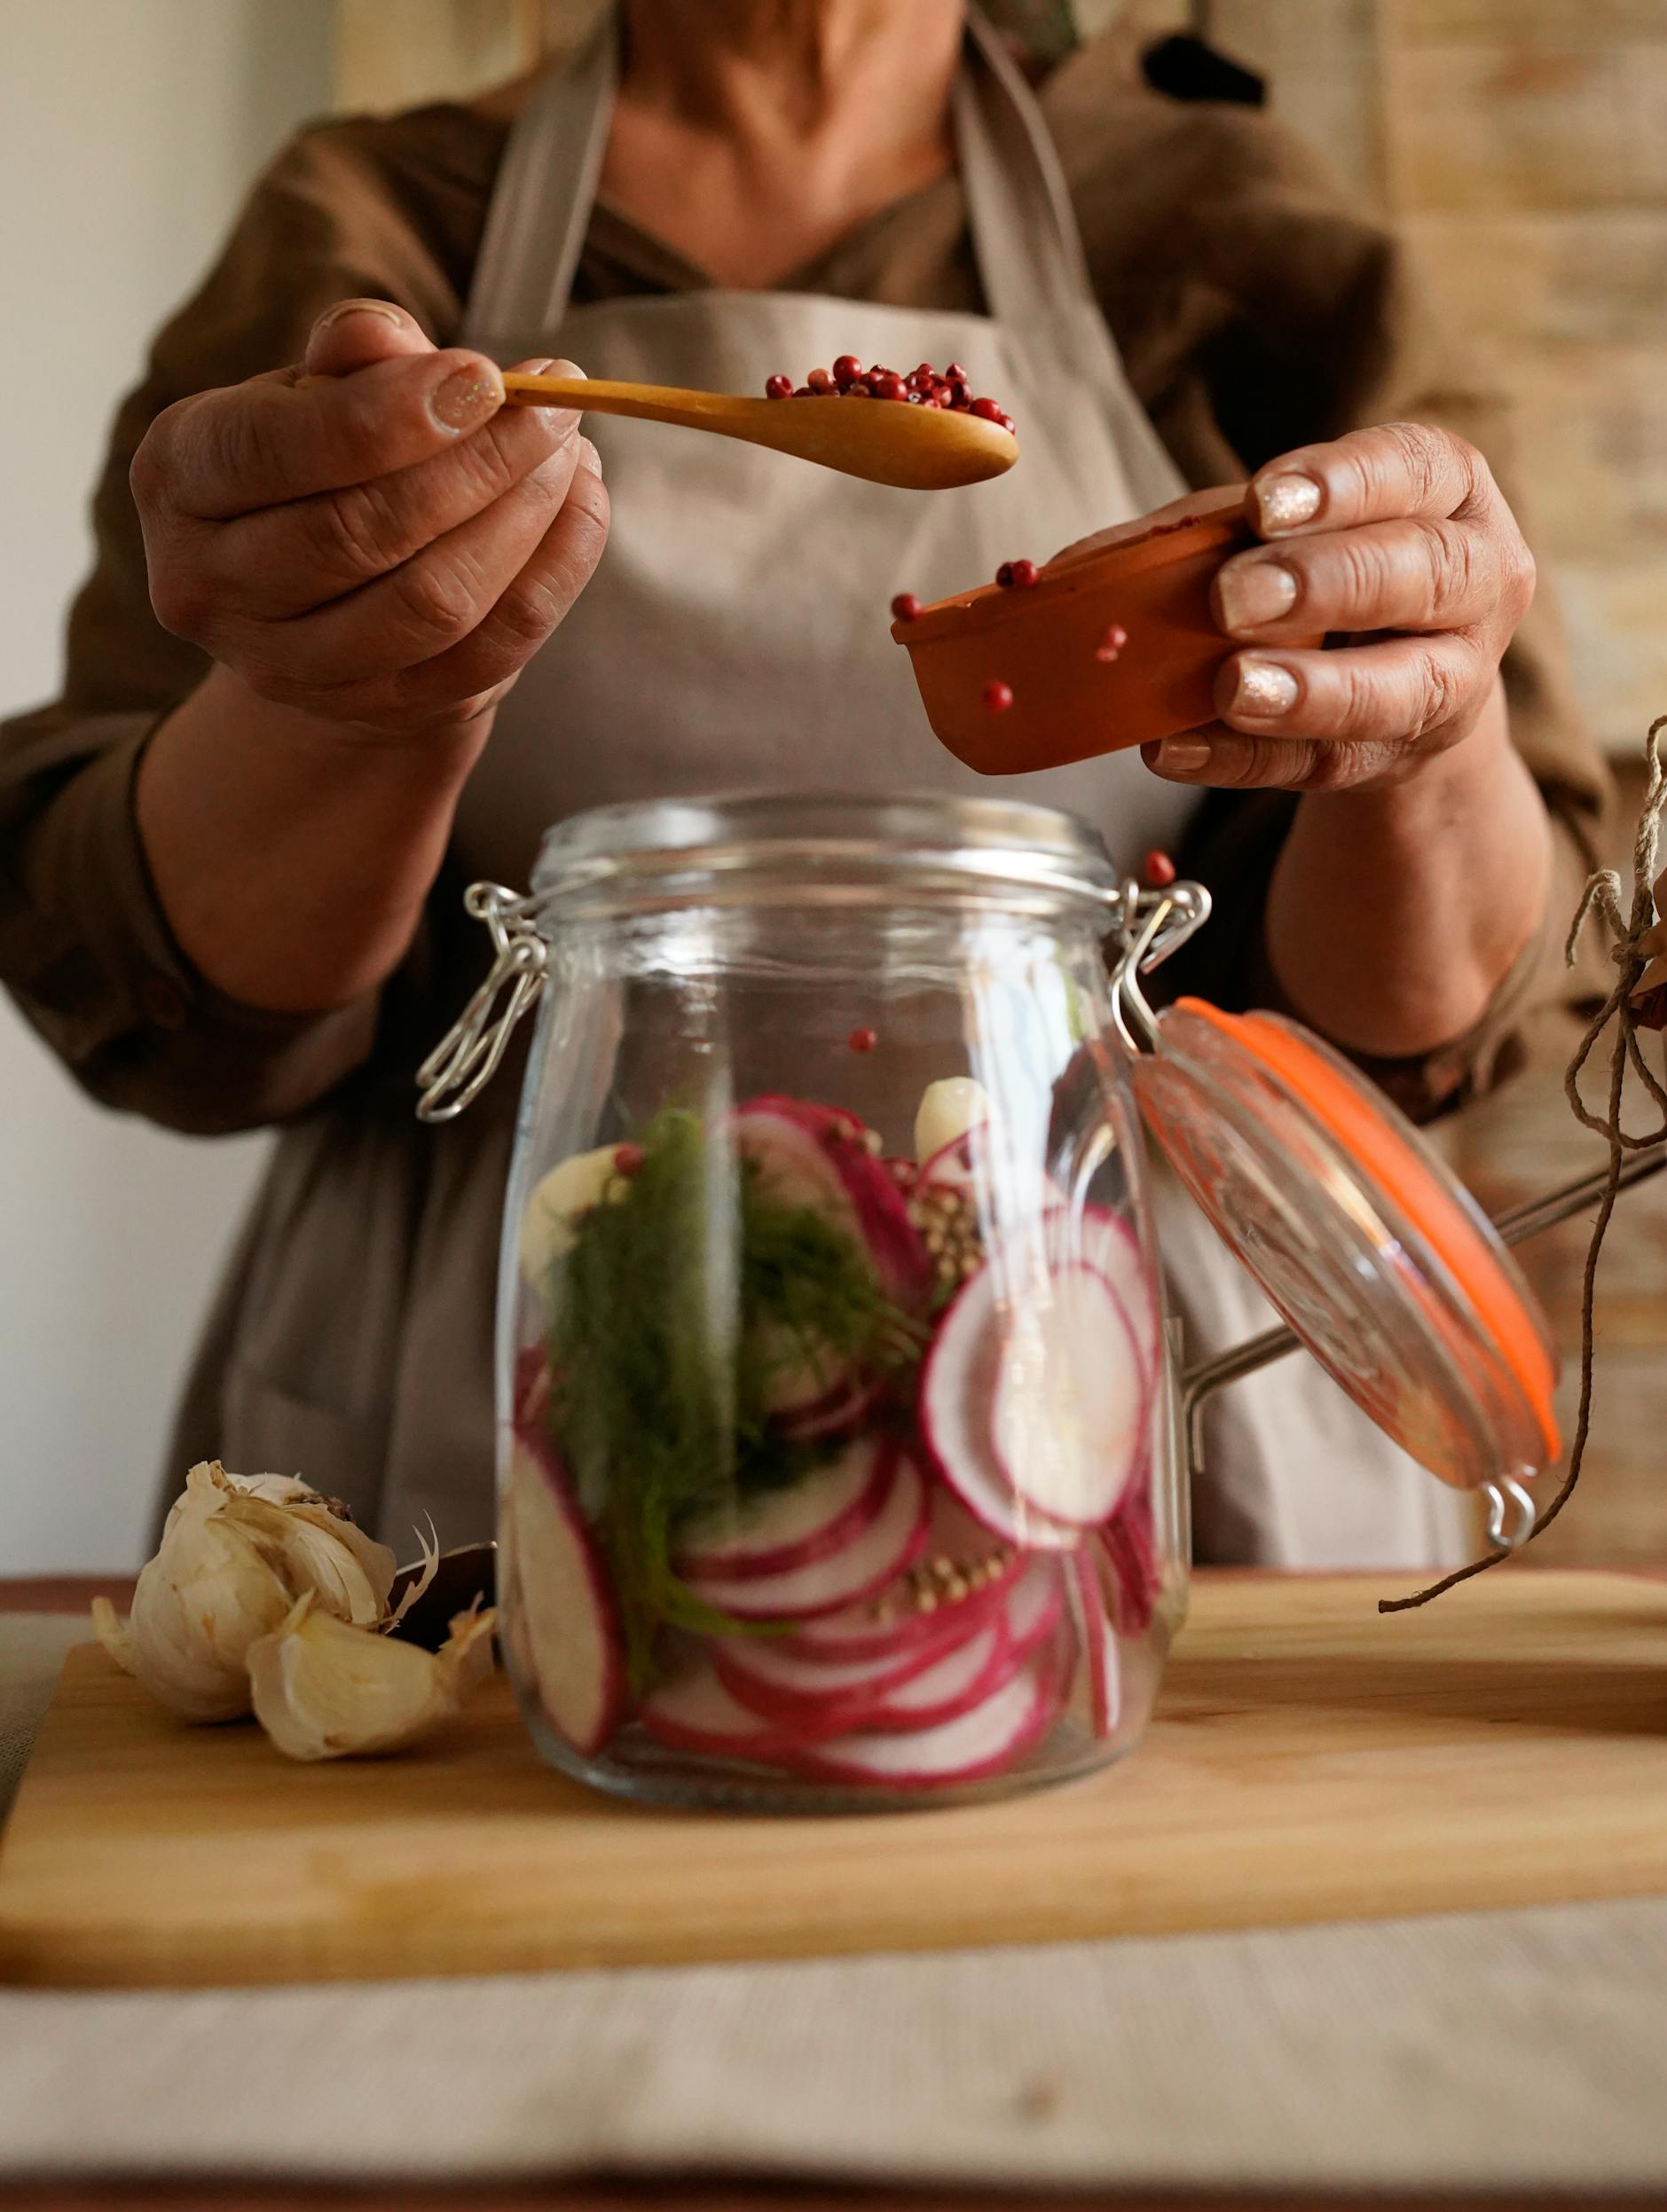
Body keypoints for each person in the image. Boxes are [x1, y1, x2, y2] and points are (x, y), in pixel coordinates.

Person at [0, 2, 1608, 1563]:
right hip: (513, 1373)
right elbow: (163, 992)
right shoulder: (373, 228)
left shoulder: (1229, 223)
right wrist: (338, 706)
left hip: (1107, 1350)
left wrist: (1420, 733)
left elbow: (1427, 1020)